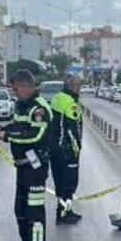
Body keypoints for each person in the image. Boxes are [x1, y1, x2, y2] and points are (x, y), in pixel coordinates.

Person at [1, 70, 52, 241]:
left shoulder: (39, 109)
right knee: (20, 208)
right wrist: (2, 129)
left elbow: (34, 135)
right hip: (22, 166)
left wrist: (7, 136)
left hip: (36, 167)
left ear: (26, 86)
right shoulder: (21, 106)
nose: (14, 92)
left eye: (16, 89)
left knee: (35, 210)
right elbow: (17, 127)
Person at [50, 74, 83, 225]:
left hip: (54, 147)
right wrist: (77, 149)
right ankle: (63, 214)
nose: (80, 89)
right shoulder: (71, 102)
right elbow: (72, 129)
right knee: (69, 183)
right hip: (67, 149)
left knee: (60, 182)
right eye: (78, 86)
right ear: (71, 87)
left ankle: (65, 210)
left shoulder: (57, 97)